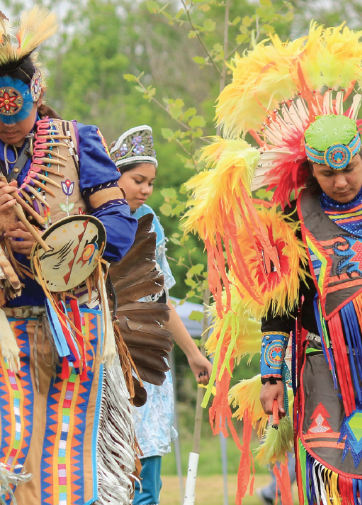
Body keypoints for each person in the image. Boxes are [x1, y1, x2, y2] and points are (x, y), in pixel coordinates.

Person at [184, 25, 362, 504]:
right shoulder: (294, 217)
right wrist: (271, 379)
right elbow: (279, 307)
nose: (341, 181)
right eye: (327, 174)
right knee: (338, 465)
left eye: (349, 169)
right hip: (325, 363)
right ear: (310, 171)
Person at [0, 2, 139, 503]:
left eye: (20, 113)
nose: (9, 126)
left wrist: (51, 236)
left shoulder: (77, 141)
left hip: (75, 321)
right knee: (6, 454)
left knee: (68, 456)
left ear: (36, 94)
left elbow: (119, 226)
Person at [111, 125, 213, 505]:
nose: (146, 190)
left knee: (145, 485)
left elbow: (160, 299)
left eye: (150, 182)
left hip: (145, 359)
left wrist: (192, 352)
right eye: (138, 180)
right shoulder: (85, 219)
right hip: (99, 357)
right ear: (113, 175)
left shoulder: (149, 219)